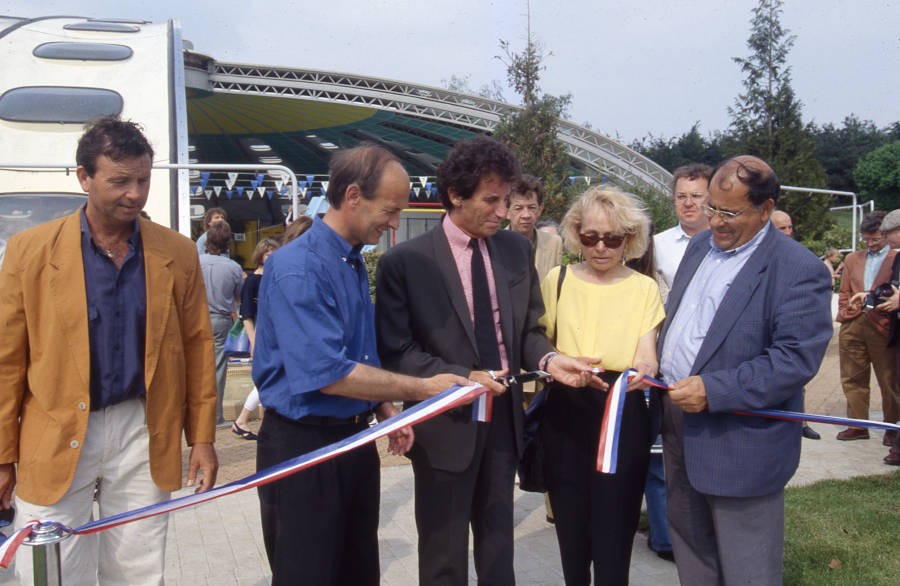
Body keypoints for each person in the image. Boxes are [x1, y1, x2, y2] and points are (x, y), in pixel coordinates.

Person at [0, 116, 218, 584]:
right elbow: (7, 362)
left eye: (142, 180)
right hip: (54, 428)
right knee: (51, 566)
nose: (134, 194)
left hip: (143, 428)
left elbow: (199, 347)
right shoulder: (30, 251)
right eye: (120, 181)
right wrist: (2, 456)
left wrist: (201, 438)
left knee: (137, 569)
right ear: (84, 177)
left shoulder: (177, 253)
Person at [375, 136, 599, 585]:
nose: (503, 212)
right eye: (491, 201)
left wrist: (551, 359)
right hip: (443, 425)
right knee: (444, 553)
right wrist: (462, 378)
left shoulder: (516, 251)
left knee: (498, 548)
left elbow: (527, 332)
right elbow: (397, 352)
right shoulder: (405, 263)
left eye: (507, 200)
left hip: (503, 424)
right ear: (456, 195)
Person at [252, 144, 468, 585]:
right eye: (389, 211)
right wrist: (421, 390)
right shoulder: (300, 268)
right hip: (304, 448)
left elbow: (357, 352)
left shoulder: (348, 260)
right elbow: (329, 374)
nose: (393, 224)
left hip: (352, 440)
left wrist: (383, 409)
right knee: (308, 572)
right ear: (352, 196)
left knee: (357, 570)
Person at [658, 155, 833, 584]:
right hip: (679, 427)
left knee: (746, 568)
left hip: (739, 440)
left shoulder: (798, 270)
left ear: (766, 209)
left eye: (730, 212)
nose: (715, 222)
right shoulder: (700, 246)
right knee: (693, 554)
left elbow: (792, 360)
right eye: (711, 208)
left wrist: (714, 390)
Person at [540, 187, 664, 584]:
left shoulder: (644, 288)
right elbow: (539, 344)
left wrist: (642, 370)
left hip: (622, 411)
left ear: (629, 239)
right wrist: (557, 363)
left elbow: (648, 354)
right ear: (577, 234)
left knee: (616, 526)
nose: (601, 247)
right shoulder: (556, 280)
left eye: (612, 238)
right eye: (591, 236)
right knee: (571, 528)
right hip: (566, 408)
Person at [835, 211, 899, 440]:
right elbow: (843, 291)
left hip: (883, 325)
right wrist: (845, 312)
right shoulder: (853, 258)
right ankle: (857, 425)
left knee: (889, 379)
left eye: (875, 239)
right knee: (852, 377)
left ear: (885, 235)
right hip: (853, 324)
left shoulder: (896, 257)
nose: (870, 244)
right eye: (866, 239)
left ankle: (892, 428)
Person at [764, 210, 822, 439]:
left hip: (790, 333)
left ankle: (800, 422)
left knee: (795, 381)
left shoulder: (801, 260)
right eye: (782, 228)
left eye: (790, 227)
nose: (788, 232)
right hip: (764, 336)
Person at [852, 209, 900, 455]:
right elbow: (892, 289)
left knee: (891, 382)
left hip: (886, 330)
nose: (885, 240)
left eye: (887, 235)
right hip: (893, 330)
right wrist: (870, 297)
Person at [232, 237, 283, 440]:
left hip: (275, 335)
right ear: (260, 255)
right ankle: (242, 419)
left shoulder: (276, 277)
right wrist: (253, 341)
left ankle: (248, 420)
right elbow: (247, 314)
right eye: (268, 254)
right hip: (263, 336)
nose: (271, 258)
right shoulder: (253, 281)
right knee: (268, 379)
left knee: (269, 378)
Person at [201, 221, 245, 426]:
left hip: (196, 318)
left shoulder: (194, 261)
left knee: (196, 367)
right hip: (220, 318)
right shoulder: (233, 267)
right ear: (228, 243)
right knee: (217, 368)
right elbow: (238, 297)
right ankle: (215, 417)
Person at [653, 163, 712, 290]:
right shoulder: (656, 245)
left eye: (696, 196)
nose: (688, 203)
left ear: (712, 199)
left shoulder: (731, 244)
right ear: (673, 200)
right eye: (681, 197)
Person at [507, 173, 563, 281]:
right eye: (518, 208)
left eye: (531, 207)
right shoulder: (494, 244)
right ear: (507, 211)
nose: (526, 215)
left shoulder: (554, 243)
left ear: (540, 209)